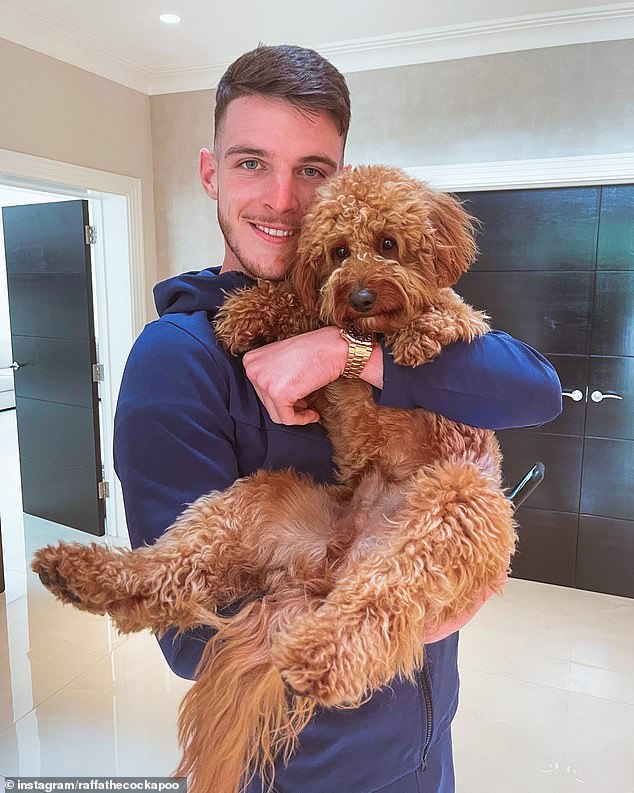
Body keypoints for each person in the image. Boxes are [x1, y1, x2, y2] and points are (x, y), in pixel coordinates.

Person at [114, 44, 562, 793]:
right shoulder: (178, 359)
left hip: (424, 745)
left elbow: (534, 389)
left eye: (311, 170)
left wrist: (345, 352)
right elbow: (191, 632)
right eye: (253, 162)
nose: (283, 200)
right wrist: (408, 616)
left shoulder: (373, 312)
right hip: (302, 769)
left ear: (341, 180)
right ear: (210, 172)